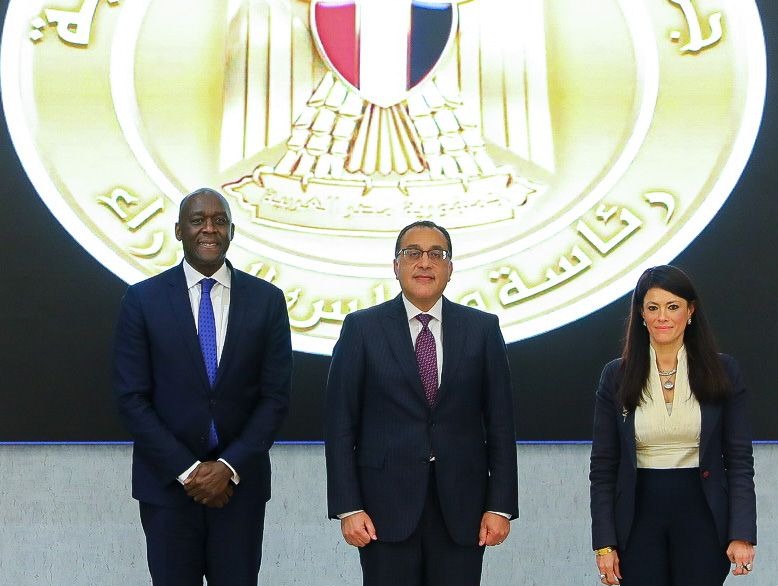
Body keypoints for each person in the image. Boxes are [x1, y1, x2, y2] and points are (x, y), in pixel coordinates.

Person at [113, 187, 292, 585]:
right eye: (197, 220)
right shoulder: (142, 300)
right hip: (167, 487)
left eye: (219, 221)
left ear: (232, 231)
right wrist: (189, 471)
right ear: (179, 230)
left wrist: (227, 467)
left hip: (239, 488)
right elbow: (131, 398)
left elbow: (275, 397)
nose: (209, 229)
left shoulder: (267, 300)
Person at [325, 220, 519, 586]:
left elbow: (501, 424)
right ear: (396, 265)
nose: (425, 262)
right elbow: (339, 425)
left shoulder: (482, 329)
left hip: (462, 508)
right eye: (413, 253)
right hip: (383, 508)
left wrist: (500, 505)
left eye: (436, 254)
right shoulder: (362, 328)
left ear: (450, 268)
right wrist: (348, 507)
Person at [590, 265, 756, 586]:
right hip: (636, 519)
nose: (662, 317)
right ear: (641, 314)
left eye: (672, 306)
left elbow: (739, 461)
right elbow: (603, 468)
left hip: (704, 516)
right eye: (653, 308)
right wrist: (604, 544)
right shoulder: (615, 376)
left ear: (690, 311)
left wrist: (742, 534)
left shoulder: (723, 371)